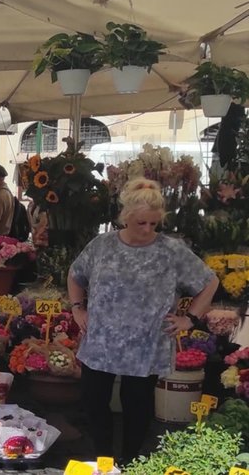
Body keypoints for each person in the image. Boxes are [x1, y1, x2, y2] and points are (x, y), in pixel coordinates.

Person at [68, 178, 217, 461]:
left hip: (146, 343)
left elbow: (209, 282)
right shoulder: (102, 245)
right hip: (101, 340)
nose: (148, 229)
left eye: (153, 223)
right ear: (125, 218)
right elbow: (76, 275)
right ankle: (103, 459)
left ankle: (130, 461)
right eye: (141, 223)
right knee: (93, 401)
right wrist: (78, 308)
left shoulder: (171, 250)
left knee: (137, 406)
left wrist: (190, 319)